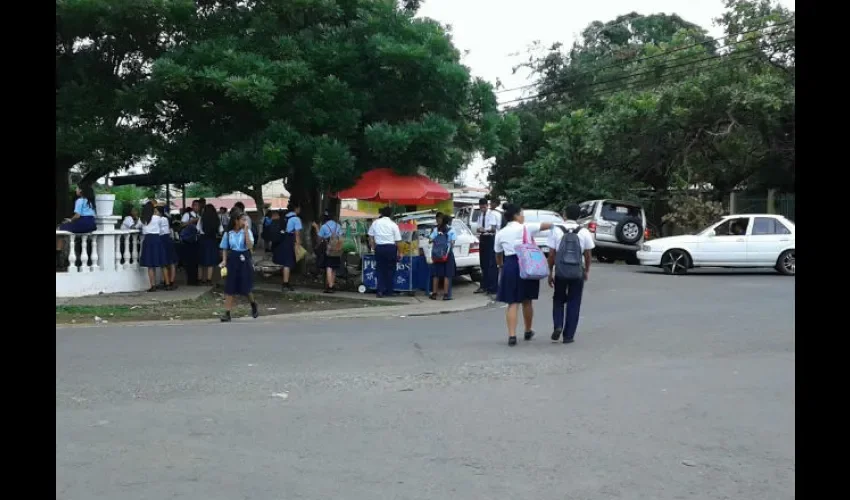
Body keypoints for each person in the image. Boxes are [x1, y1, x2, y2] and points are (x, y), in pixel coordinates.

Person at [494, 203, 555, 346]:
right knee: (527, 300)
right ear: (516, 215)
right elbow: (548, 225)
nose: (523, 217)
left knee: (512, 302)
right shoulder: (526, 227)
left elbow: (498, 254)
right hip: (527, 263)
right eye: (522, 214)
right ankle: (528, 330)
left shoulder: (501, 233)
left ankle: (512, 335)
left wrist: (501, 266)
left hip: (509, 264)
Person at [546, 204, 595, 344]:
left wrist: (550, 272)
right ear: (579, 216)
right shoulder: (584, 232)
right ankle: (569, 336)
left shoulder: (556, 230)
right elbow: (588, 255)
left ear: (564, 215)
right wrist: (586, 271)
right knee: (574, 301)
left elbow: (551, 254)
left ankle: (558, 325)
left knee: (558, 299)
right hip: (576, 272)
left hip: (561, 272)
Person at [218, 214, 259, 322]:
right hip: (233, 259)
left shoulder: (247, 231)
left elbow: (250, 246)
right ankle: (227, 313)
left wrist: (245, 231)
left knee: (246, 287)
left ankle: (253, 304)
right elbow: (224, 248)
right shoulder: (228, 233)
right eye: (243, 219)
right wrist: (224, 260)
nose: (245, 221)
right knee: (230, 287)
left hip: (244, 259)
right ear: (236, 221)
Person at [56, 186, 98, 267]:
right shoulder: (91, 201)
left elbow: (78, 215)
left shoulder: (80, 200)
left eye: (77, 188)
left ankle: (58, 257)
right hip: (91, 224)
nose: (76, 190)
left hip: (83, 223)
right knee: (66, 227)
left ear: (81, 190)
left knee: (59, 229)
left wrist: (70, 220)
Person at [368, 206, 402, 298]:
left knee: (380, 269)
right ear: (391, 214)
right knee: (391, 269)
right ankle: (389, 290)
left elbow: (370, 236)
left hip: (379, 248)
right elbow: (398, 241)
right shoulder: (393, 225)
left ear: (382, 214)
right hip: (391, 248)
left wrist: (373, 246)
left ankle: (380, 290)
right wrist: (400, 252)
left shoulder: (375, 223)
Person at [139, 202, 168, 292]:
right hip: (156, 239)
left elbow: (137, 226)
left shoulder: (142, 219)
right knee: (162, 263)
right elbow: (162, 228)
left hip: (147, 240)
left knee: (150, 265)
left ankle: (153, 285)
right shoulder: (157, 218)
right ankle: (167, 283)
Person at [273, 202, 302, 292]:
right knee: (288, 263)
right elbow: (297, 233)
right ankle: (285, 283)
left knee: (286, 262)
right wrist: (298, 243)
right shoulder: (296, 219)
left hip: (282, 241)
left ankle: (286, 282)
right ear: (296, 208)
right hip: (290, 241)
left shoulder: (284, 217)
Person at [474, 198, 501, 295]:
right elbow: (477, 228)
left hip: (491, 239)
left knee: (491, 264)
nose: (482, 209)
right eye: (481, 207)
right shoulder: (480, 215)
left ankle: (492, 287)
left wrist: (484, 230)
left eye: (484, 207)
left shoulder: (492, 214)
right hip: (483, 238)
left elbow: (493, 229)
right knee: (483, 264)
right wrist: (481, 230)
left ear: (487, 205)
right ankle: (484, 285)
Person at [312, 210, 343, 293]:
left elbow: (319, 238)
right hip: (337, 249)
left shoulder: (324, 226)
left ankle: (330, 286)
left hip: (328, 249)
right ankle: (332, 284)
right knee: (334, 268)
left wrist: (316, 228)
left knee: (328, 267)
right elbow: (341, 237)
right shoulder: (338, 226)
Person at [429, 214, 456, 301]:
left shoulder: (436, 230)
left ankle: (434, 294)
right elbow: (452, 243)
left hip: (437, 255)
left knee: (436, 275)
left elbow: (430, 240)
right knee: (447, 275)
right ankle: (446, 295)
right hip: (447, 254)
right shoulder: (451, 230)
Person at [198, 204, 223, 285]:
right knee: (211, 261)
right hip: (212, 241)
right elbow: (221, 230)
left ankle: (201, 279)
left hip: (202, 241)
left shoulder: (201, 219)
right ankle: (209, 280)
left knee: (201, 261)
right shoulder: (217, 219)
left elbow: (198, 229)